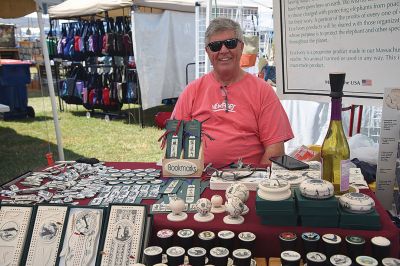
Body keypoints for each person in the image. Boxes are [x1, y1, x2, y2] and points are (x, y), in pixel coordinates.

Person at [172, 17, 293, 166]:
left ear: (241, 47)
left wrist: (255, 180)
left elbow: (275, 149)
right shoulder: (192, 90)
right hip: (201, 180)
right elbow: (174, 141)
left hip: (247, 181)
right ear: (208, 52)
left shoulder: (263, 91)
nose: (223, 50)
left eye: (230, 43)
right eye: (215, 46)